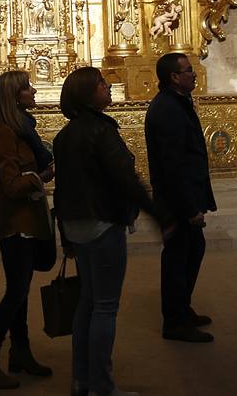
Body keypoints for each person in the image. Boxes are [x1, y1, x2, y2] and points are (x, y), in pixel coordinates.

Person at [53, 67, 162, 396]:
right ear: (88, 93)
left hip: (77, 225)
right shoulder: (102, 131)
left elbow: (62, 191)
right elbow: (125, 180)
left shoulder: (64, 135)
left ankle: (81, 381)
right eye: (102, 83)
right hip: (101, 225)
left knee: (87, 302)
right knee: (104, 306)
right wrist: (157, 213)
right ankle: (101, 387)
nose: (109, 85)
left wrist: (65, 236)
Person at [0, 70, 54, 389]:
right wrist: (42, 175)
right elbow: (11, 184)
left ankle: (20, 353)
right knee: (16, 292)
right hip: (15, 222)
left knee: (20, 291)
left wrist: (38, 172)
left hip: (28, 219)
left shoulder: (21, 128)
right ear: (14, 97)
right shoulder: (4, 132)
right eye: (27, 88)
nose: (34, 91)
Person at [144, 53, 216, 343]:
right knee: (177, 258)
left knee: (193, 250)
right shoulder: (167, 110)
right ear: (174, 77)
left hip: (183, 197)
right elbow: (173, 165)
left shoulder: (175, 103)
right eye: (188, 71)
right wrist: (189, 209)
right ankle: (174, 322)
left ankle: (182, 309)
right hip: (176, 202)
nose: (194, 74)